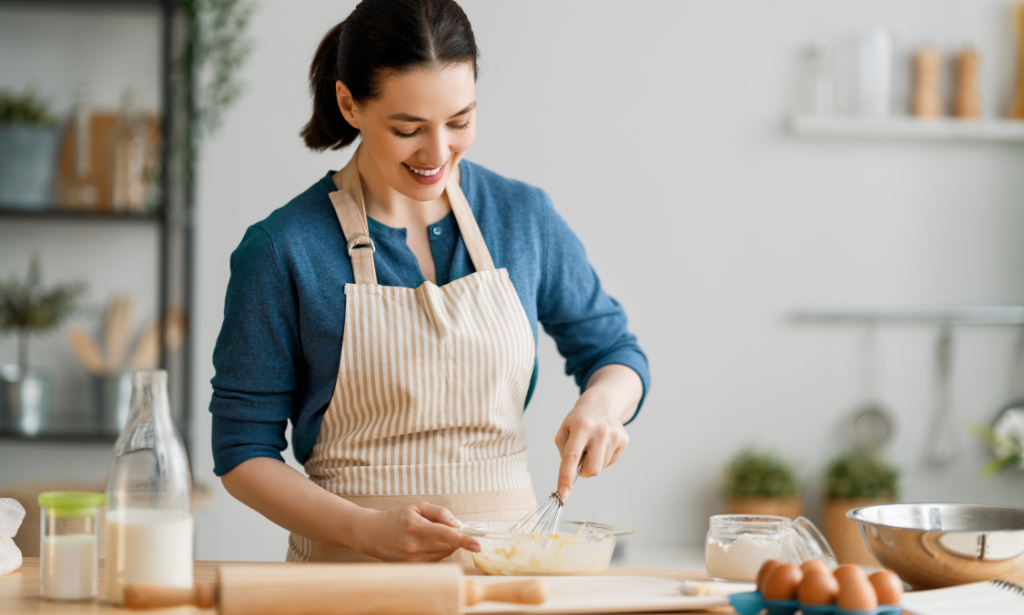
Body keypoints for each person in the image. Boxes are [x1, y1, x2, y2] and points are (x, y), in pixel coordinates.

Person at [210, 0, 649, 564]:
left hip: (505, 583)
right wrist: (365, 530)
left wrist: (603, 405)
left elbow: (615, 351)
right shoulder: (281, 249)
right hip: (348, 582)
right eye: (408, 128)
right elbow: (242, 452)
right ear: (349, 103)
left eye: (460, 121)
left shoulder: (522, 216)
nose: (438, 153)